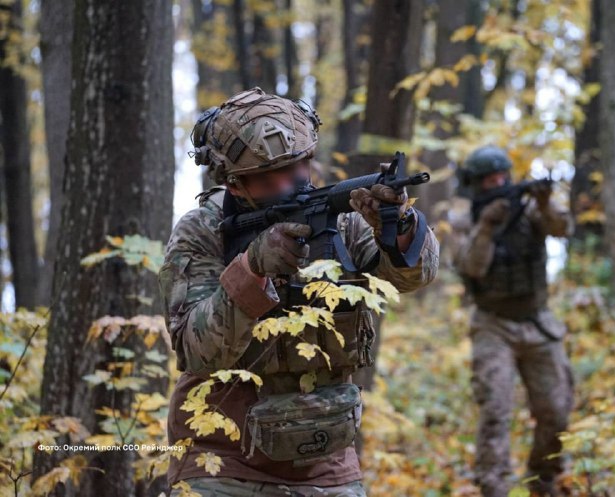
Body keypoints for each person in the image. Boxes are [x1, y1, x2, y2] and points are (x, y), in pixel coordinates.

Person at [158, 87, 439, 497]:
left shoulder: (341, 219)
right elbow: (194, 349)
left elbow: (417, 275)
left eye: (302, 164)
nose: (297, 180)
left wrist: (398, 226)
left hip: (325, 457)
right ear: (237, 185)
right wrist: (252, 268)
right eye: (277, 174)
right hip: (220, 458)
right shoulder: (203, 232)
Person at [452, 146, 574, 497]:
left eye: (503, 177)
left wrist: (546, 202)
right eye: (490, 180)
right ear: (475, 185)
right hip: (493, 325)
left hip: (538, 322)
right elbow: (472, 267)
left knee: (556, 409)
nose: (499, 184)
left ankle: (545, 479)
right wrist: (487, 226)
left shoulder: (530, 211)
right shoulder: (465, 222)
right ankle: (493, 487)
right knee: (495, 409)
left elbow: (563, 228)